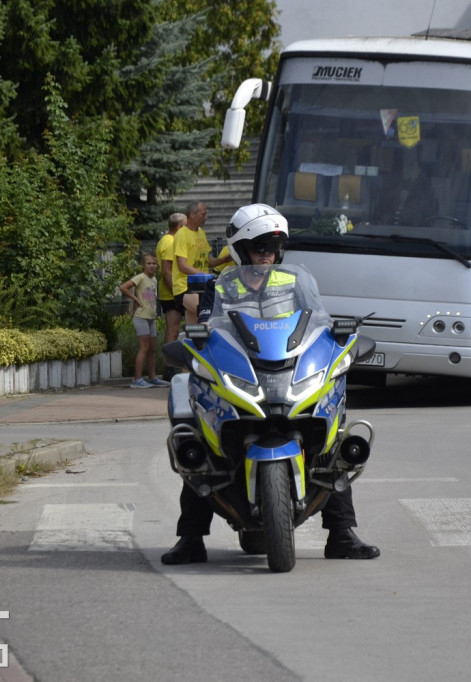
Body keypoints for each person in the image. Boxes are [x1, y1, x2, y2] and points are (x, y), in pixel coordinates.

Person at [161, 203, 380, 565]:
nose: (266, 256)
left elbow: (316, 319)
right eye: (259, 247)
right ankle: (190, 540)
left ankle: (342, 534)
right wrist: (192, 341)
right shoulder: (220, 288)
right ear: (240, 249)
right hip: (245, 375)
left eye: (272, 248)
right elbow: (205, 331)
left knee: (334, 440)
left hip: (287, 373)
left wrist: (336, 335)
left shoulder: (293, 283)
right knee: (197, 439)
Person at [120, 253, 169, 389]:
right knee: (144, 348)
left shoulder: (154, 280)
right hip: (141, 317)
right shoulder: (140, 277)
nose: (152, 266)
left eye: (154, 263)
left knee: (152, 349)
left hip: (151, 317)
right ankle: (137, 379)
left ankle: (153, 377)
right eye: (149, 263)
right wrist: (135, 298)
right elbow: (123, 287)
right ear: (143, 265)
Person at [157, 213, 186, 346]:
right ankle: (170, 365)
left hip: (174, 291)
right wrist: (177, 294)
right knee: (173, 330)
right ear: (179, 227)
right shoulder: (170, 242)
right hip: (171, 294)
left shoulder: (170, 240)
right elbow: (166, 271)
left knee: (174, 329)